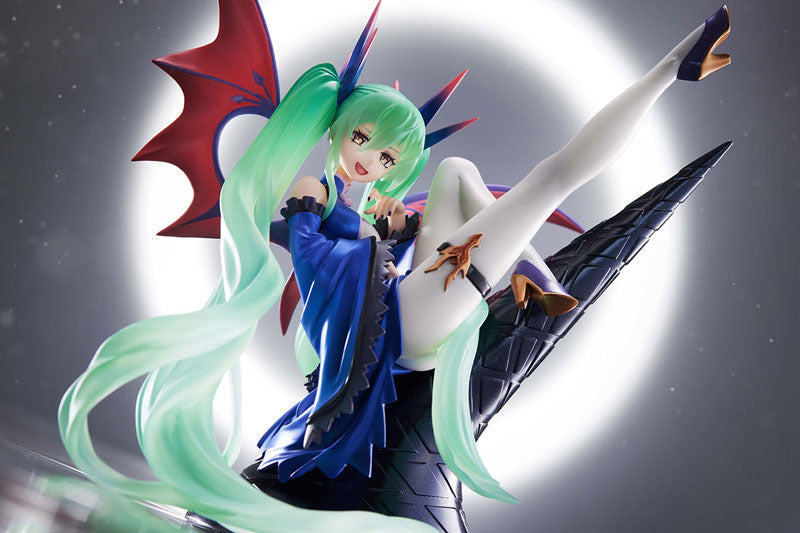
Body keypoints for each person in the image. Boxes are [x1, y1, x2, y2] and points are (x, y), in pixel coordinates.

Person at [58, 2, 730, 531]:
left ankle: (534, 267)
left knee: (460, 172)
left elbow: (368, 253)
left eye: (386, 159)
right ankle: (669, 70)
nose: (370, 161)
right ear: (338, 129)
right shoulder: (315, 194)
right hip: (396, 328)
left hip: (406, 312)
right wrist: (373, 237)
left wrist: (391, 230)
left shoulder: (356, 206)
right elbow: (322, 263)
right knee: (550, 179)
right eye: (363, 140)